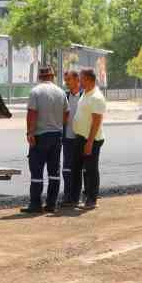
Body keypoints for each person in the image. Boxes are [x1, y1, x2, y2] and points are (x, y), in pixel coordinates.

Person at [21, 66, 68, 213]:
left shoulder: (36, 91)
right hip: (57, 135)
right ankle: (51, 204)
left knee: (37, 171)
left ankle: (35, 204)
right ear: (52, 76)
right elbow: (66, 114)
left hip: (40, 136)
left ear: (39, 77)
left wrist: (30, 133)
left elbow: (32, 114)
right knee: (54, 171)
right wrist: (58, 125)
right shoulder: (60, 92)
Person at [68, 68, 107, 209]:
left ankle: (91, 199)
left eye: (82, 79)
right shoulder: (85, 93)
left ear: (90, 79)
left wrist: (90, 142)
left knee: (91, 170)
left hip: (92, 139)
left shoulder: (97, 97)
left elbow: (97, 121)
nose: (80, 81)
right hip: (80, 137)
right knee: (76, 168)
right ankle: (74, 199)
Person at [60, 69, 83, 207]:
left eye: (69, 80)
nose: (66, 82)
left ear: (77, 80)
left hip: (81, 139)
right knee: (67, 169)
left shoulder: (85, 96)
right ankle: (67, 196)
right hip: (67, 139)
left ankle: (77, 197)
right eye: (66, 80)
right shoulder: (64, 96)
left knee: (79, 169)